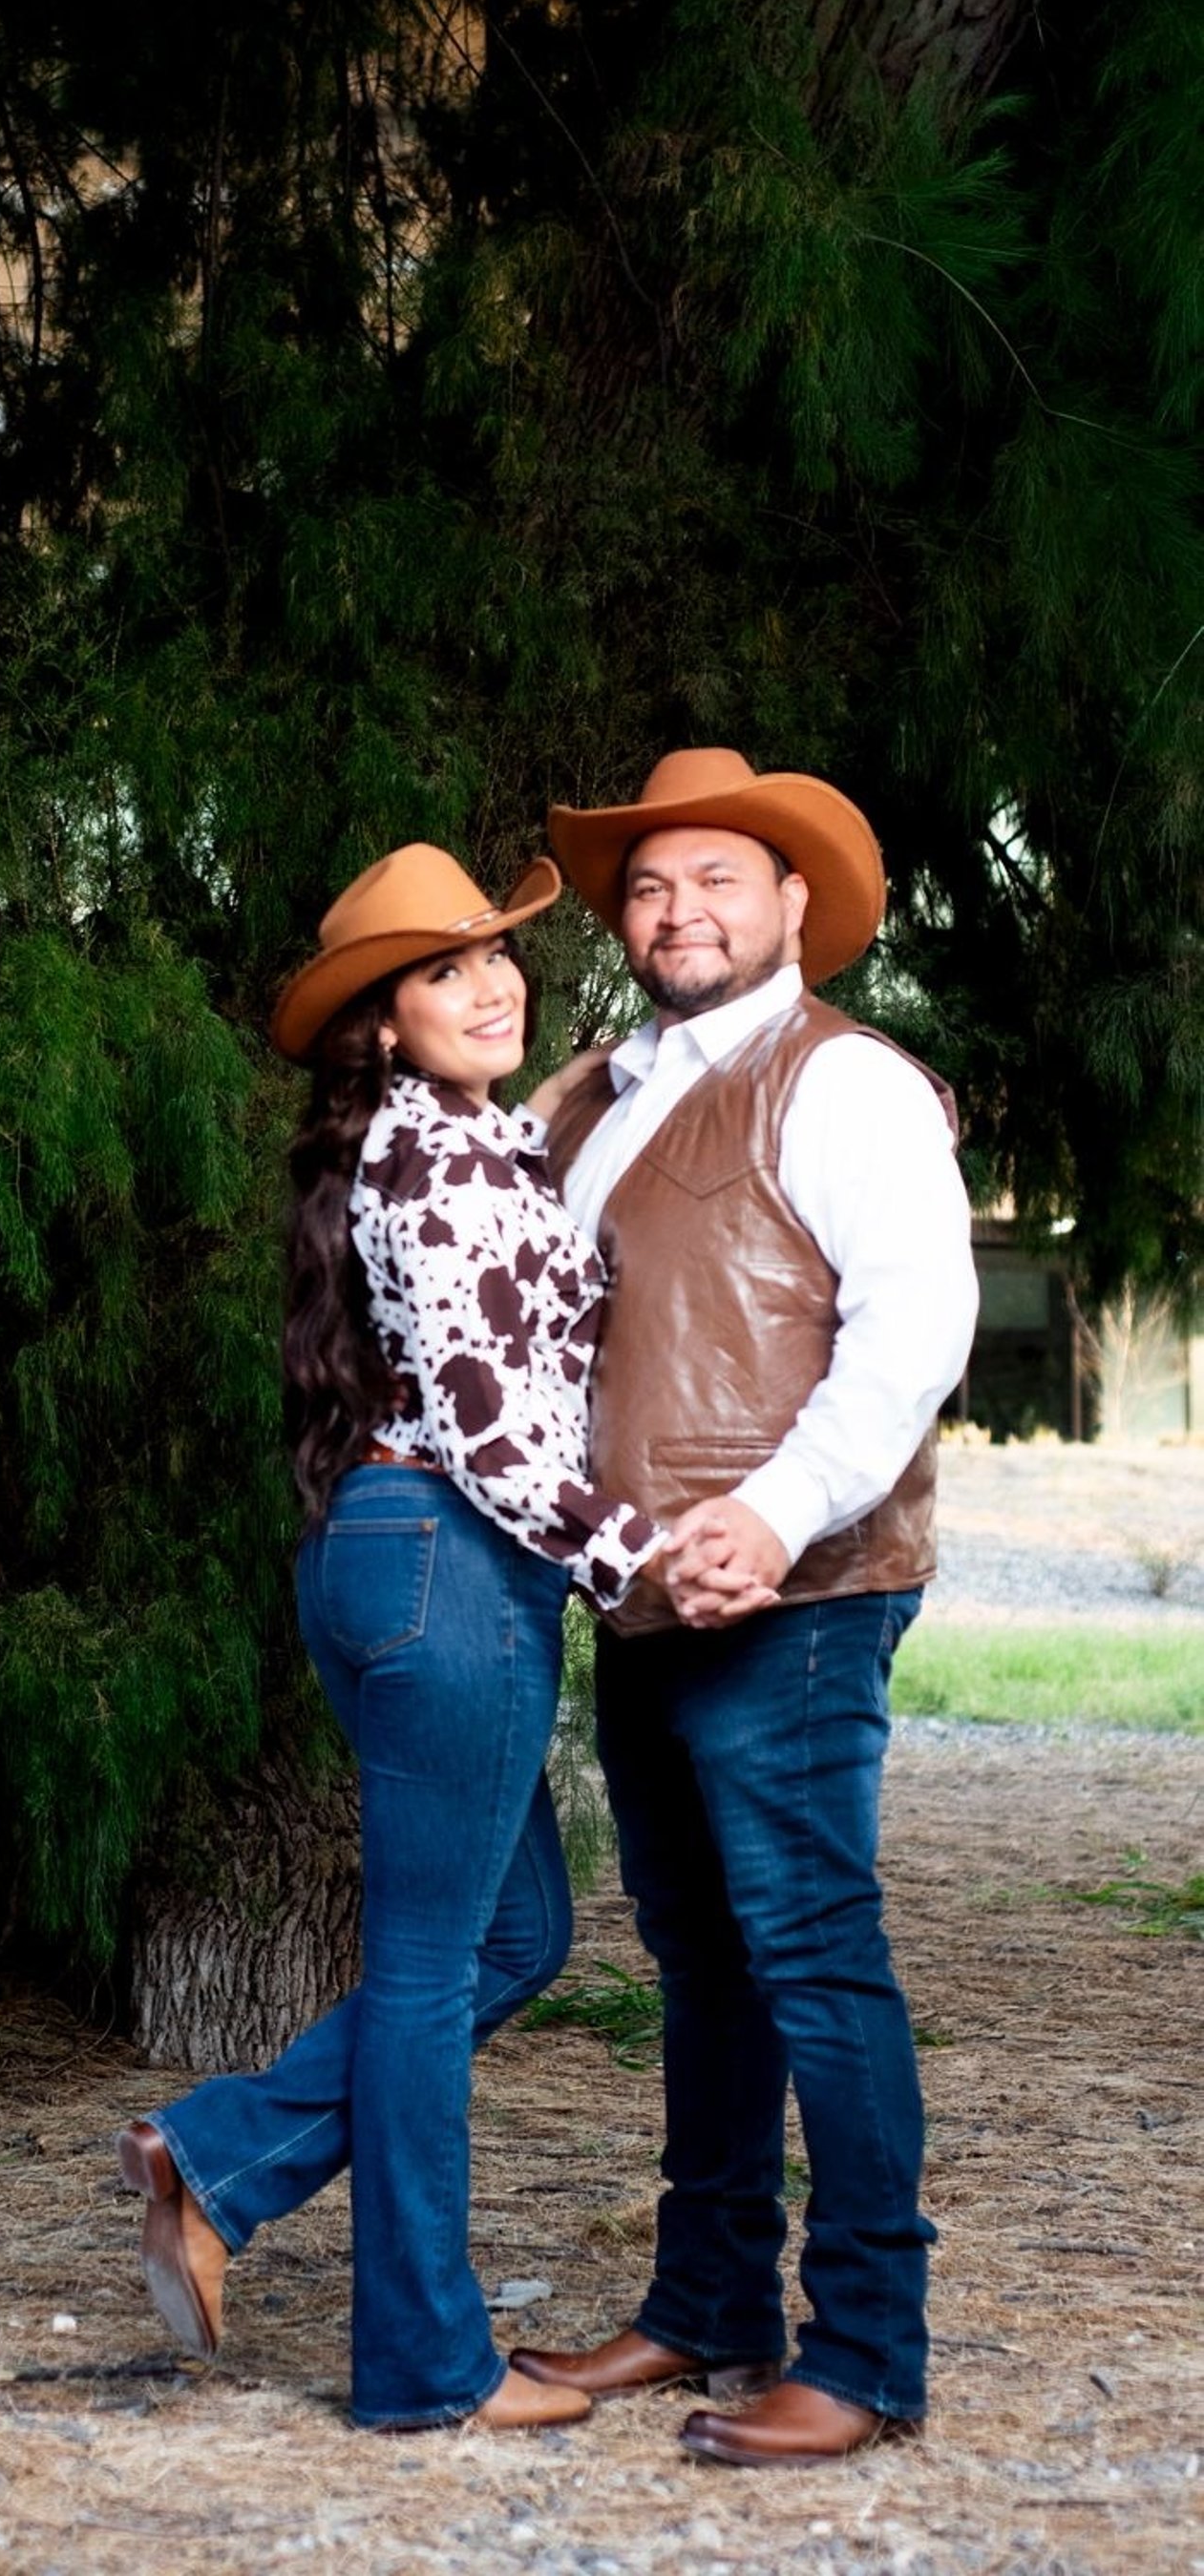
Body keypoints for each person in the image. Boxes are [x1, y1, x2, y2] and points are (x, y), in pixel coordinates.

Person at [115, 843, 736, 2434]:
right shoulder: (440, 1161)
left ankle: (221, 2156)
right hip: (456, 1558)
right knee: (420, 1977)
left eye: (499, 958)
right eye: (446, 970)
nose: (491, 985)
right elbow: (489, 1428)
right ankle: (423, 2366)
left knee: (516, 1940)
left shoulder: (455, 1140)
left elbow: (557, 1156)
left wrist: (655, 1058)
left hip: (400, 1558)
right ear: (381, 1022)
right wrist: (637, 1562)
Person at [512, 747, 980, 2465]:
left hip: (795, 1589)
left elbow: (913, 1330)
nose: (676, 908)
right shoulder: (592, 1091)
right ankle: (708, 2301)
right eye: (648, 886)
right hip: (640, 1593)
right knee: (701, 1964)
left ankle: (863, 2352)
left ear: (793, 906)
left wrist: (774, 1517)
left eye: (716, 877)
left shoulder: (843, 1082)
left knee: (809, 1955)